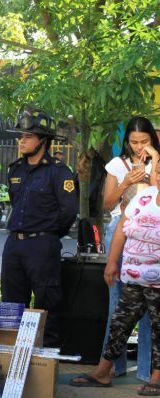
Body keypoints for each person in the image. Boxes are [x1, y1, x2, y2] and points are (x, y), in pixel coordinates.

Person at [69, 164, 160, 394]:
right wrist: (111, 262)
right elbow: (121, 227)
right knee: (120, 323)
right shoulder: (144, 196)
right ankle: (102, 372)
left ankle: (157, 377)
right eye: (158, 171)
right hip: (133, 277)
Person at [0, 108, 78, 347]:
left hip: (43, 244)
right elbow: (15, 203)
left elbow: (68, 211)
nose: (21, 140)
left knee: (47, 303)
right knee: (11, 305)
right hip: (14, 243)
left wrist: (50, 234)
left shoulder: (58, 171)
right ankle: (14, 356)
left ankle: (46, 361)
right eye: (20, 136)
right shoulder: (16, 169)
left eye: (28, 136)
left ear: (43, 140)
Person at [100, 116, 159, 380]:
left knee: (151, 306)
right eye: (133, 142)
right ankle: (114, 366)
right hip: (123, 231)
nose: (138, 147)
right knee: (119, 304)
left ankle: (147, 370)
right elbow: (107, 204)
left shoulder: (156, 163)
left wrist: (153, 165)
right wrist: (126, 183)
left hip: (152, 237)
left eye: (144, 141)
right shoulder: (117, 164)